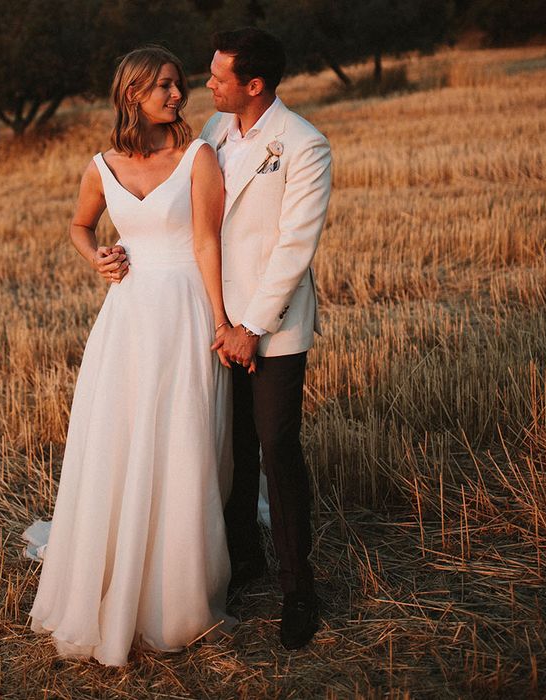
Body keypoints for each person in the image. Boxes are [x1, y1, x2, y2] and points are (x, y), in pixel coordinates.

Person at [22, 46, 236, 667]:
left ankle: (175, 594)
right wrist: (99, 258)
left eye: (178, 84)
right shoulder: (101, 165)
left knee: (181, 441)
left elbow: (205, 242)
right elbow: (79, 226)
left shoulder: (199, 158)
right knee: (119, 438)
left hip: (185, 313)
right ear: (133, 95)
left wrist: (221, 322)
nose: (178, 94)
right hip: (126, 317)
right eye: (163, 86)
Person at [201, 28, 332, 650]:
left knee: (278, 447)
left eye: (218, 77)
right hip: (212, 322)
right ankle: (242, 559)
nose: (208, 85)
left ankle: (297, 588)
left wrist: (251, 326)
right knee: (232, 447)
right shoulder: (211, 132)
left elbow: (294, 247)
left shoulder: (305, 144)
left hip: (271, 329)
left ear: (254, 85)